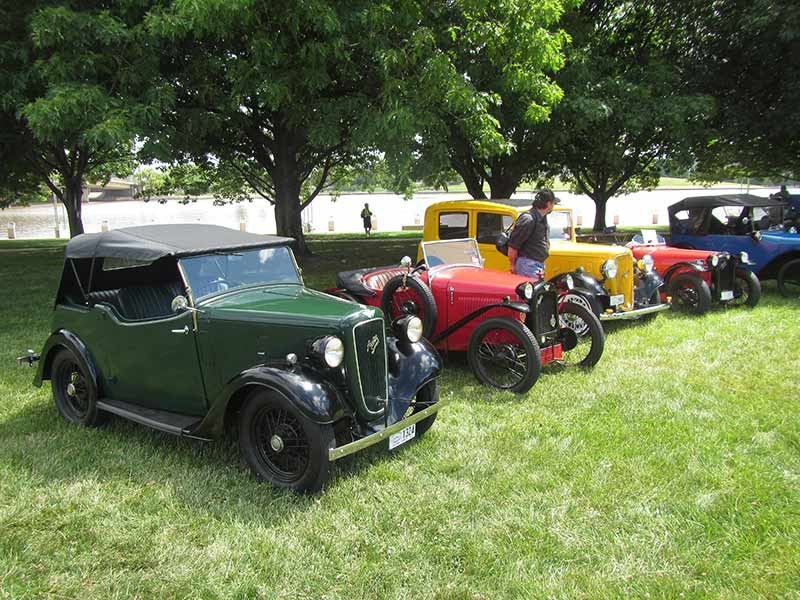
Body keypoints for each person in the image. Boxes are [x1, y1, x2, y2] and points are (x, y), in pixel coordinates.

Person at [508, 189, 560, 279]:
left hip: (536, 264)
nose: (553, 206)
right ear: (548, 204)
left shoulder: (542, 218)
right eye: (553, 203)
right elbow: (513, 246)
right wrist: (513, 265)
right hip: (527, 265)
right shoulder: (528, 219)